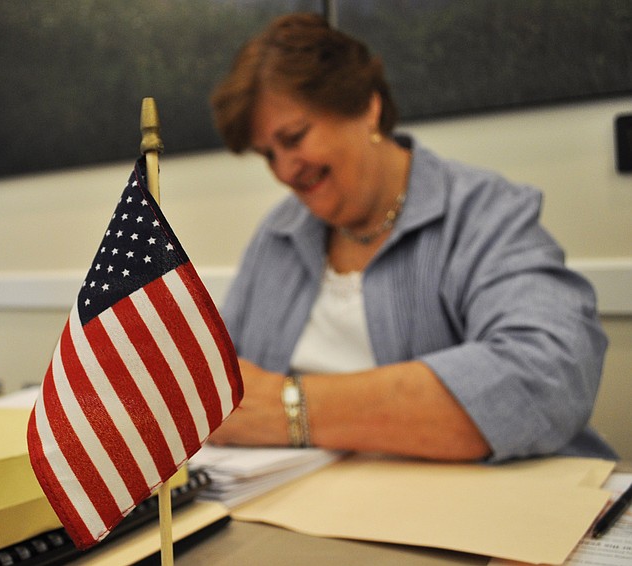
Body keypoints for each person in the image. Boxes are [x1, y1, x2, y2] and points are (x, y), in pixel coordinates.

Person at [207, 12, 616, 463]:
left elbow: (546, 378)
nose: (285, 171)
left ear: (366, 106)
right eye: (268, 155)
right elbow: (223, 387)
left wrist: (291, 410)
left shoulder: (484, 213)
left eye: (295, 137)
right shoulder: (277, 236)